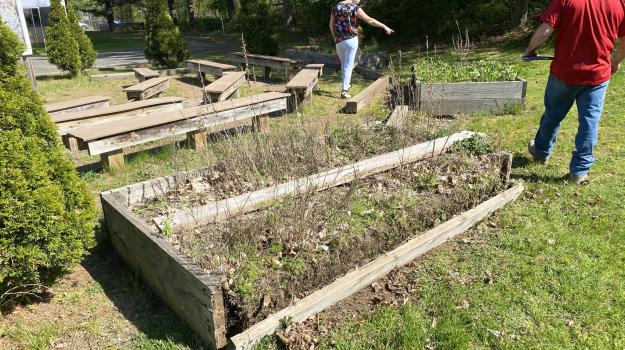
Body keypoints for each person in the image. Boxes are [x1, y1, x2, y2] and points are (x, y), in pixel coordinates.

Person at [523, 0, 625, 184]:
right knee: (589, 123)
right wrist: (616, 62)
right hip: (597, 76)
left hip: (564, 73)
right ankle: (579, 172)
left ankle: (541, 151)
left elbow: (546, 28)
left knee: (553, 114)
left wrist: (531, 50)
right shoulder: (619, 3)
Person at [329, 0, 394, 99]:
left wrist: (335, 38)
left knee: (344, 64)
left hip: (339, 41)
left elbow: (331, 24)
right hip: (351, 40)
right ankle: (344, 91)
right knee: (348, 65)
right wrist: (384, 26)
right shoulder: (354, 8)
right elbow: (370, 20)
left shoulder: (336, 7)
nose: (359, 1)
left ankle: (346, 84)